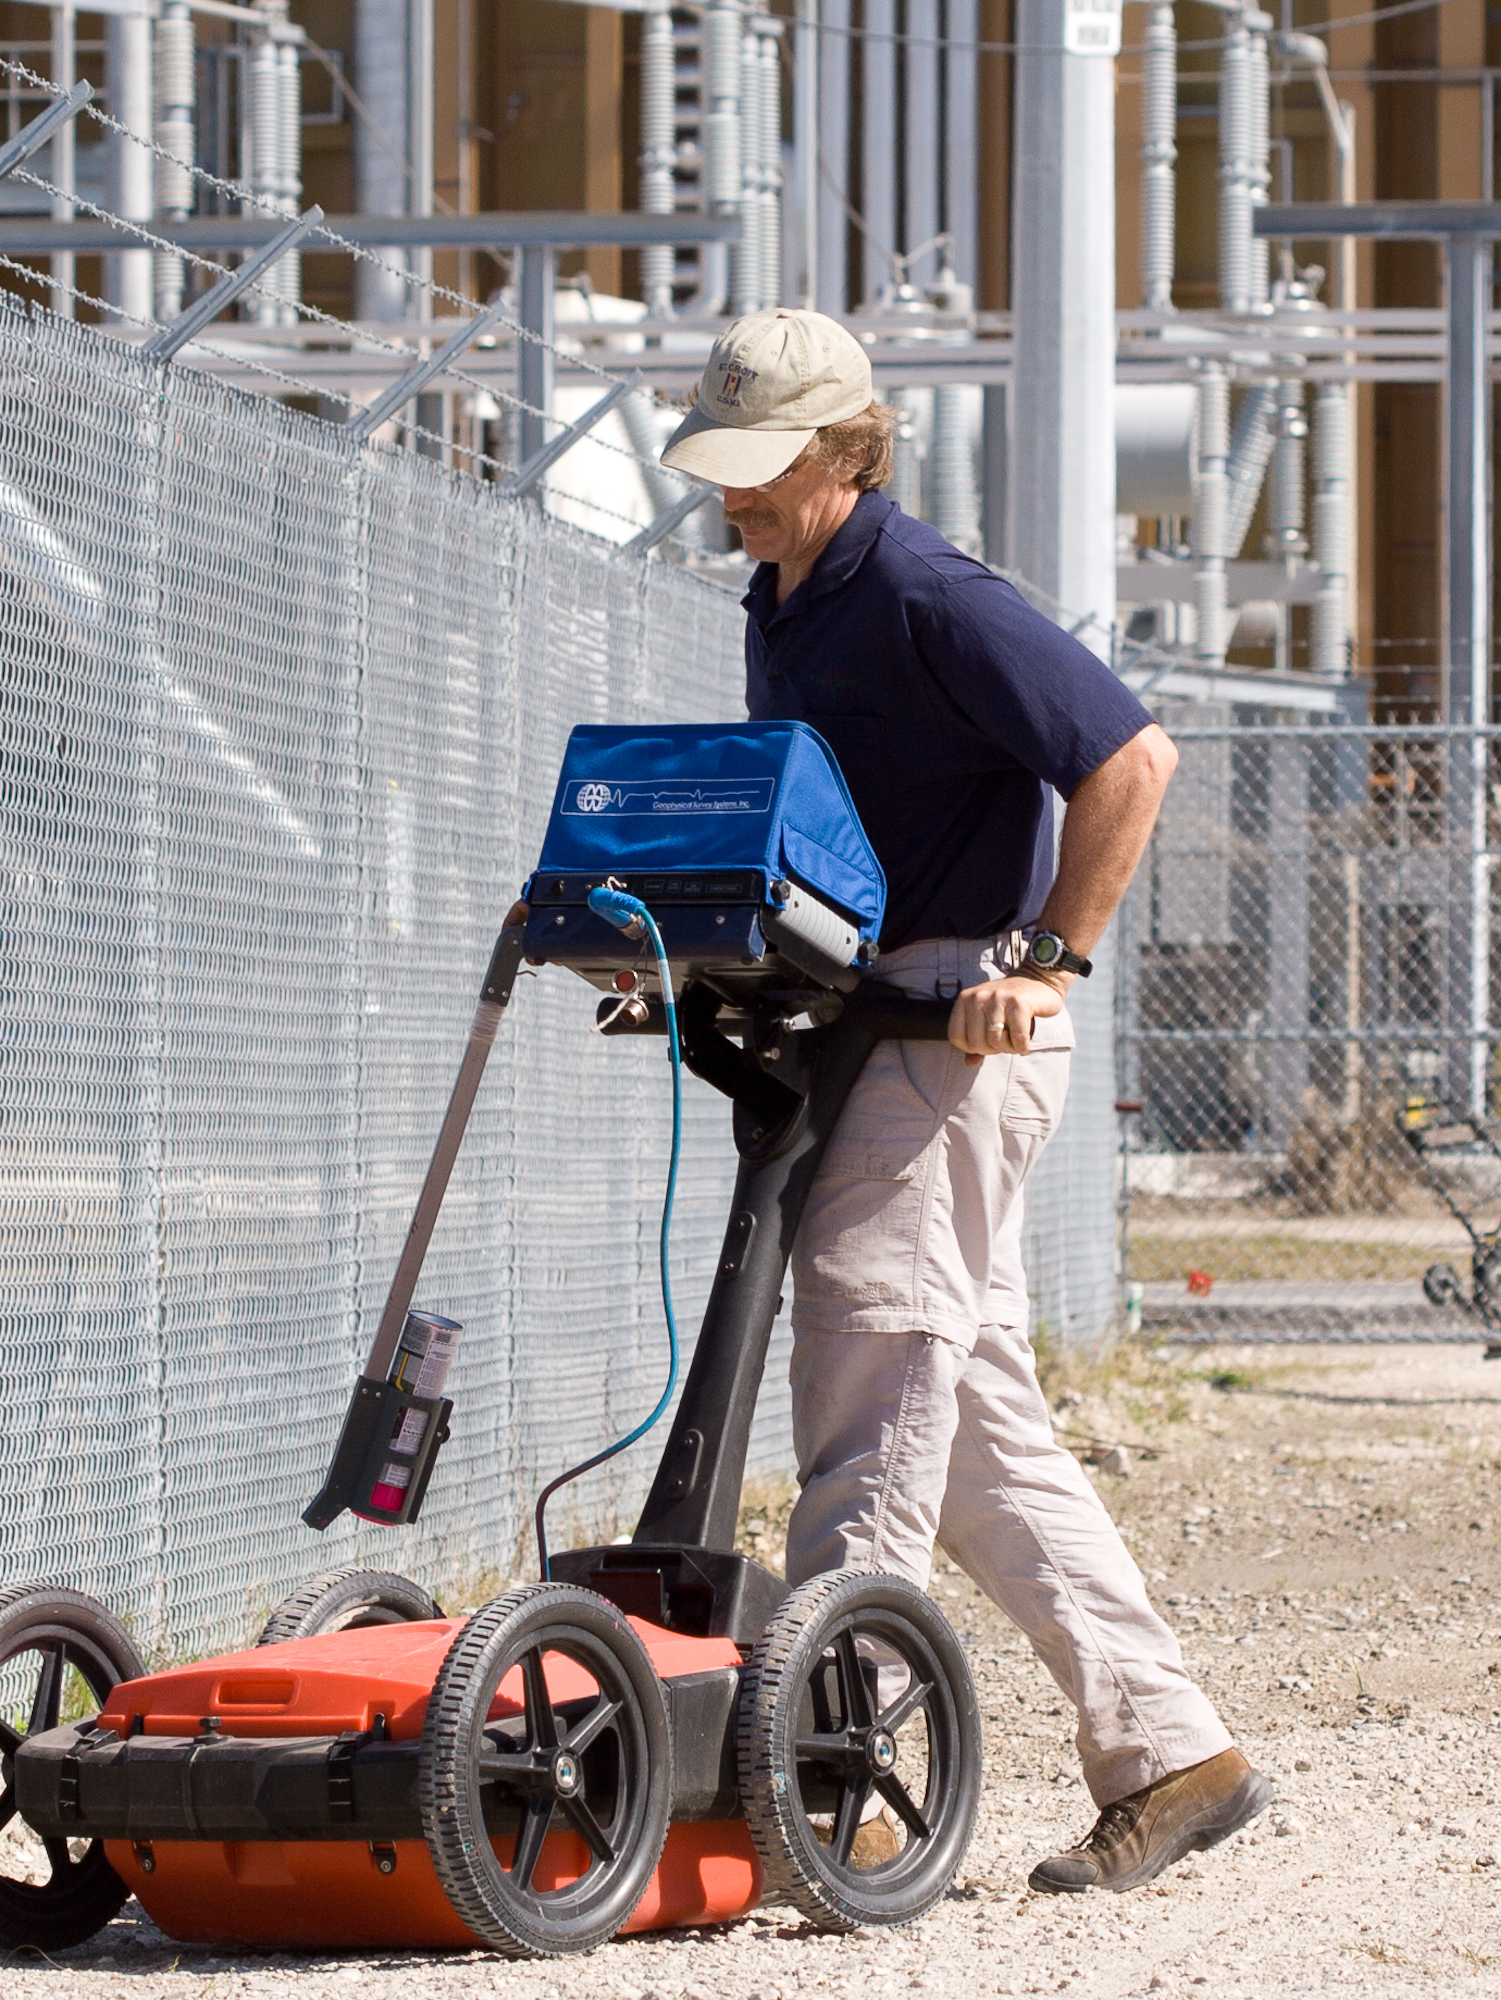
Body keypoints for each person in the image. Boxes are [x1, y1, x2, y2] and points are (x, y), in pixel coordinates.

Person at [660, 308, 1272, 1895]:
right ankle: (1172, 1750)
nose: (733, 494)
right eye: (720, 465)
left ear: (846, 452)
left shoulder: (928, 594)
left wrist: (1049, 961)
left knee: (867, 1400)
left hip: (951, 1033)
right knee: (975, 1423)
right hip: (857, 1014)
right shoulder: (783, 593)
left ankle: (834, 1790)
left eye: (762, 467)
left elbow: (1128, 757)